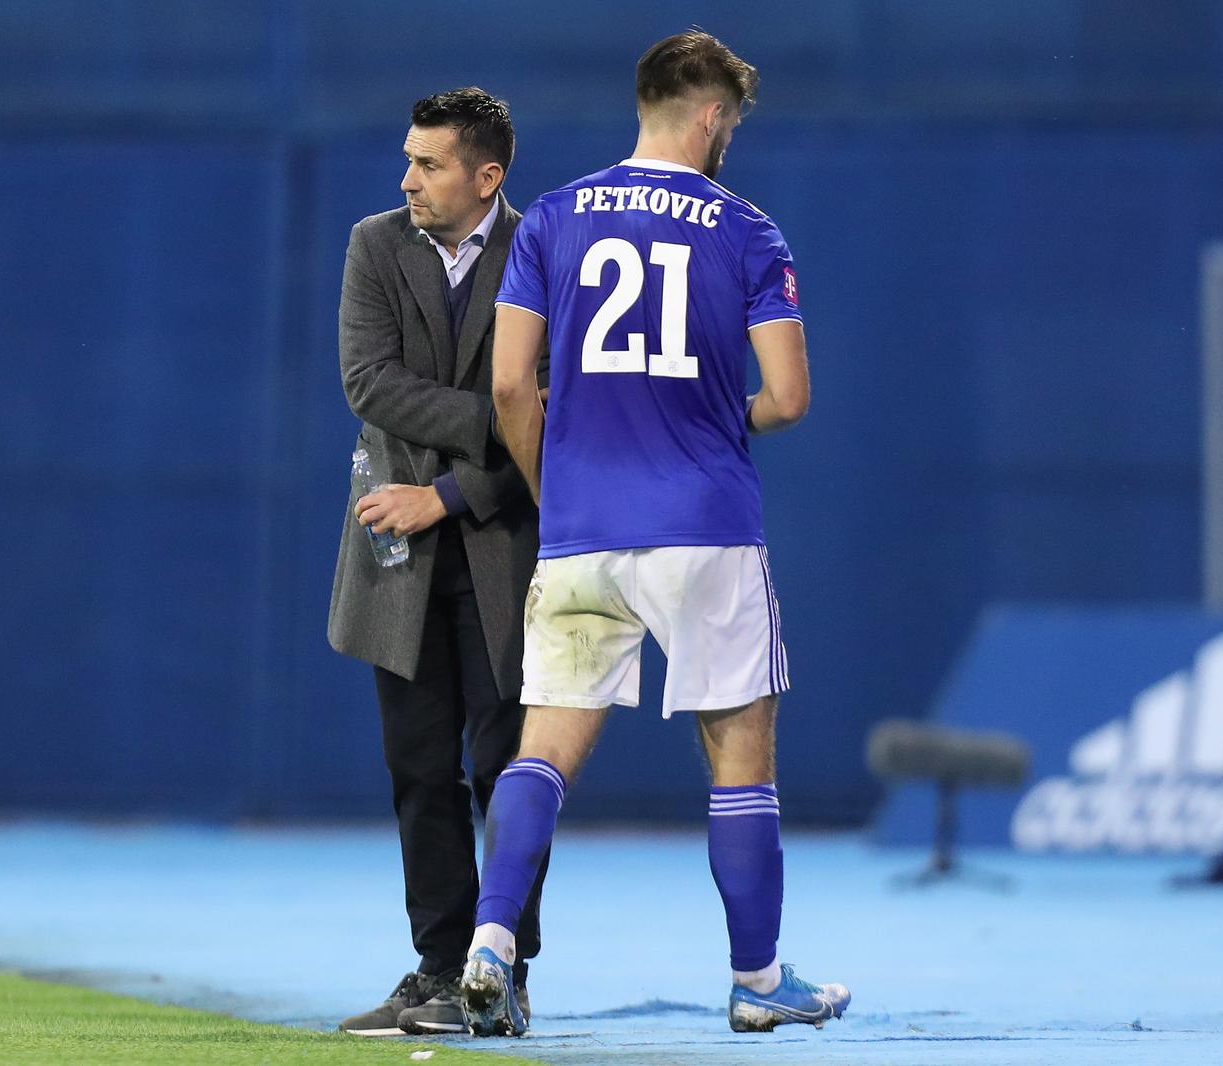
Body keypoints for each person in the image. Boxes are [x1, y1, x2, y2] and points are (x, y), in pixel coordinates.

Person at [457, 31, 851, 1037]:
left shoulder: (549, 218)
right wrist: (727, 417)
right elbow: (791, 397)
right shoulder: (748, 230)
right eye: (732, 123)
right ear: (712, 114)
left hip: (586, 532)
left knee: (541, 751)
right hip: (706, 530)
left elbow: (509, 385)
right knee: (740, 756)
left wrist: (558, 488)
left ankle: (490, 947)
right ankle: (758, 979)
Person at [328, 87, 549, 1037]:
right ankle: (433, 971)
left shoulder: (544, 247)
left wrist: (451, 493)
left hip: (503, 544)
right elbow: (367, 381)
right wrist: (507, 413)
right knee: (421, 769)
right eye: (409, 159)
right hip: (396, 556)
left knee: (507, 769)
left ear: (486, 176)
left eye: (428, 163)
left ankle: (502, 971)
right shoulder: (374, 243)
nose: (407, 178)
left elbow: (566, 407)